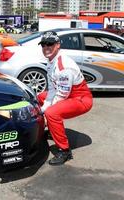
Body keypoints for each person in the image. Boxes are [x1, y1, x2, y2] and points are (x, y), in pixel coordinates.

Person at [37, 31, 93, 166]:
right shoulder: (51, 60)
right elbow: (51, 89)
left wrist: (45, 112)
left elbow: (62, 95)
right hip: (67, 94)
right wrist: (43, 106)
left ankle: (65, 151)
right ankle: (52, 130)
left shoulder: (64, 66)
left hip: (81, 98)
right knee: (40, 97)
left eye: (50, 44)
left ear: (57, 45)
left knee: (52, 113)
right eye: (43, 45)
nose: (46, 48)